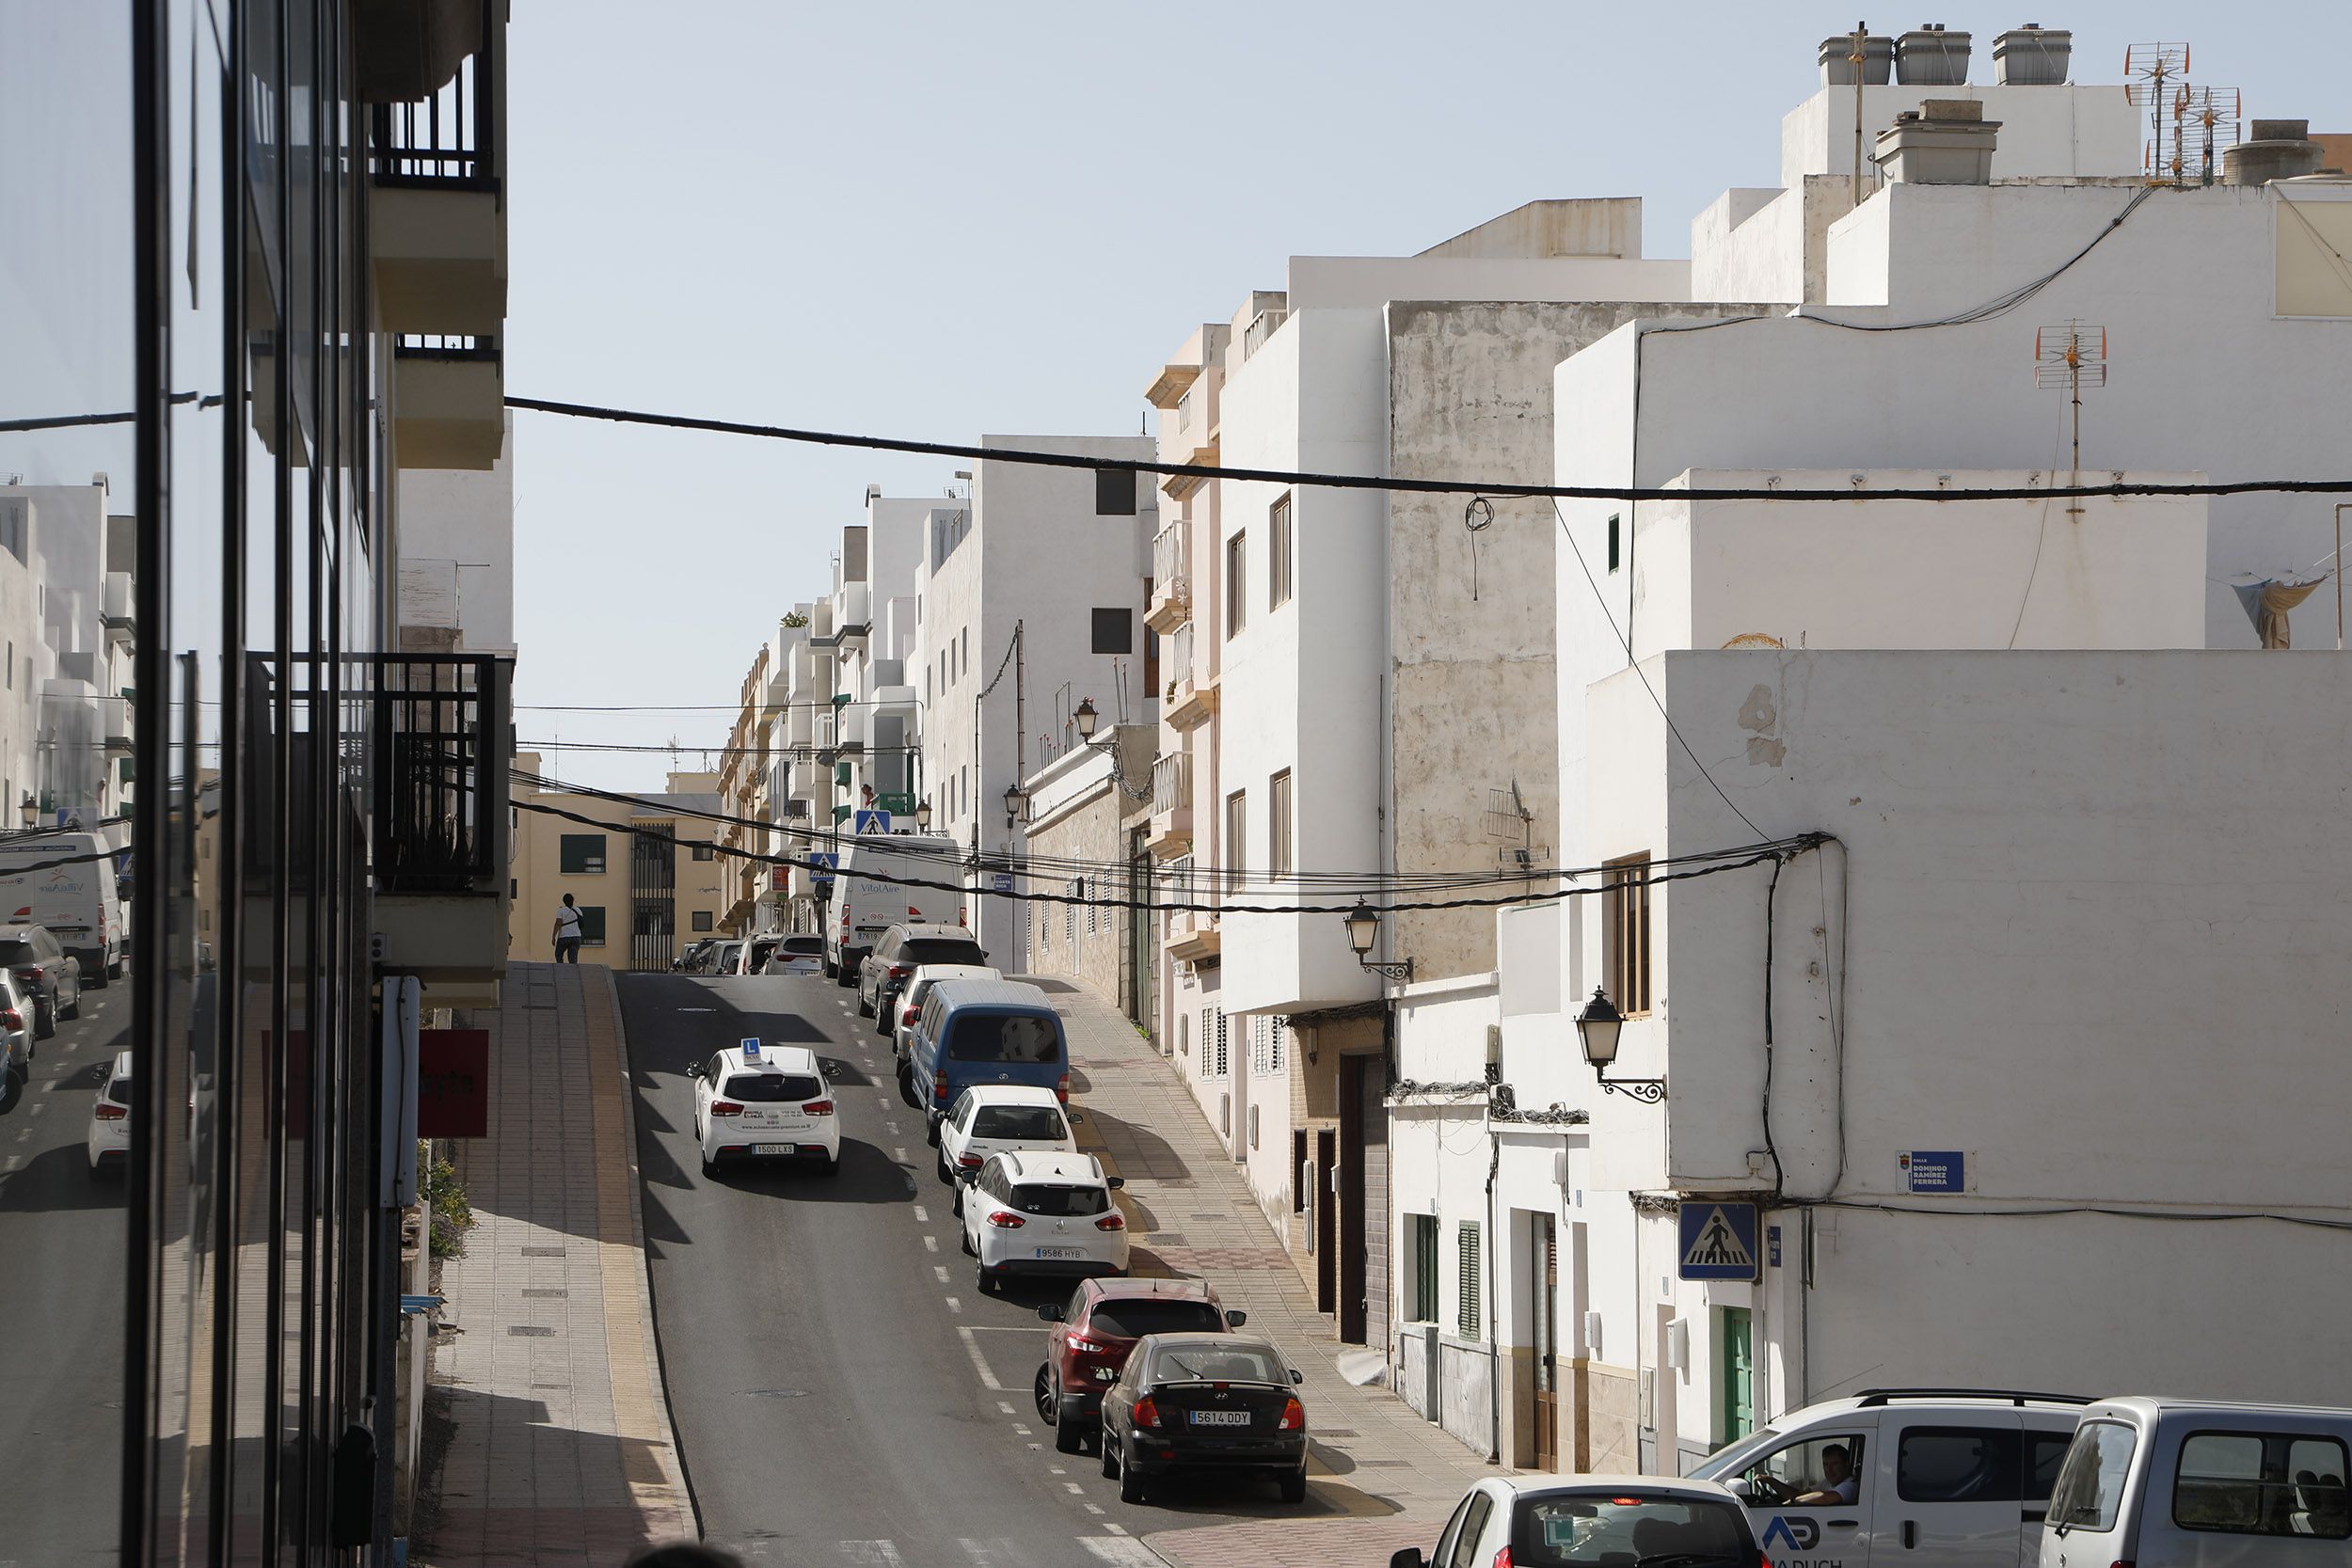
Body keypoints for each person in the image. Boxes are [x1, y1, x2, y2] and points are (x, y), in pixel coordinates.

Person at [1793, 1443, 1859, 1506]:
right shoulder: (1827, 1483)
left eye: (1835, 1464)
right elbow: (1800, 1494)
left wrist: (1794, 1501)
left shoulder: (1851, 1485)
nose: (1829, 1470)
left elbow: (1825, 1498)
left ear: (1846, 1465)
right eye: (1826, 1464)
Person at [552, 893, 584, 963]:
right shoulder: (578, 910)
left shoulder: (561, 910)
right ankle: (573, 972)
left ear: (564, 901)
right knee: (573, 958)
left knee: (558, 954)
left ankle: (561, 968)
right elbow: (581, 923)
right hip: (576, 937)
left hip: (564, 937)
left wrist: (553, 936)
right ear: (573, 900)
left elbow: (558, 923)